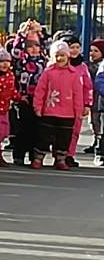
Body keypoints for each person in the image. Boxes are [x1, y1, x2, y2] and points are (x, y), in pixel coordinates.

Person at [33, 40, 85, 170]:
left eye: (63, 55)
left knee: (64, 137)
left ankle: (60, 159)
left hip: (68, 113)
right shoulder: (48, 72)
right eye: (57, 55)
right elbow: (40, 91)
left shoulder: (74, 74)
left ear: (68, 56)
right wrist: (37, 107)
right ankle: (38, 158)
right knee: (44, 136)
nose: (60, 58)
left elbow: (78, 95)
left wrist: (78, 111)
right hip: (49, 111)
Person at [10, 23, 47, 167]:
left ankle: (34, 156)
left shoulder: (43, 59)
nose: (34, 49)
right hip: (24, 97)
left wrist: (39, 31)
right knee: (24, 127)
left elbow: (49, 45)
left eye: (36, 45)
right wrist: (22, 34)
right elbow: (16, 50)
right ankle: (19, 154)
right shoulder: (22, 60)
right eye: (30, 46)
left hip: (40, 98)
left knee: (38, 128)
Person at [55, 32, 94, 167]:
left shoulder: (82, 67)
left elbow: (88, 87)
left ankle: (69, 155)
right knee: (59, 131)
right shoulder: (56, 66)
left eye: (77, 47)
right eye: (72, 47)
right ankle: (58, 154)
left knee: (74, 131)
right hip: (59, 103)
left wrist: (87, 104)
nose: (75, 50)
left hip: (76, 104)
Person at [90, 40, 104, 164]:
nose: (92, 53)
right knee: (101, 127)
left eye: (96, 51)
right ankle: (100, 153)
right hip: (101, 101)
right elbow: (99, 82)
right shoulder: (102, 65)